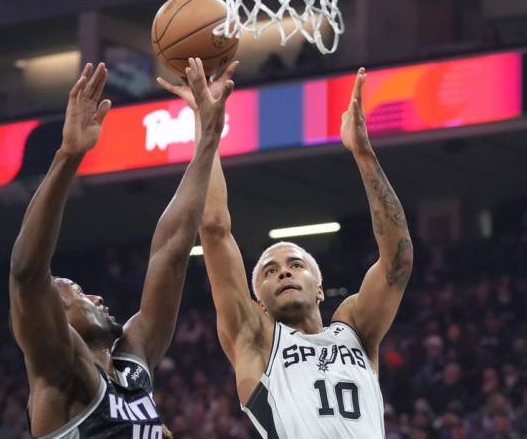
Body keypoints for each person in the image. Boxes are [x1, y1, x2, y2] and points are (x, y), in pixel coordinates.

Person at [161, 66, 413, 438]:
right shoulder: (256, 339)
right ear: (258, 301)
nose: (283, 272)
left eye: (296, 264)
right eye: (268, 270)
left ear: (320, 288)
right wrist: (204, 118)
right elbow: (214, 228)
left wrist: (363, 153)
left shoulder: (354, 330)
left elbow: (398, 260)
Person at [10, 58, 234, 438]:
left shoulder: (133, 361)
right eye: (78, 294)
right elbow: (27, 273)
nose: (96, 296)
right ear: (54, 318)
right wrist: (68, 157)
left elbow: (171, 250)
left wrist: (208, 136)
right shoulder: (60, 372)